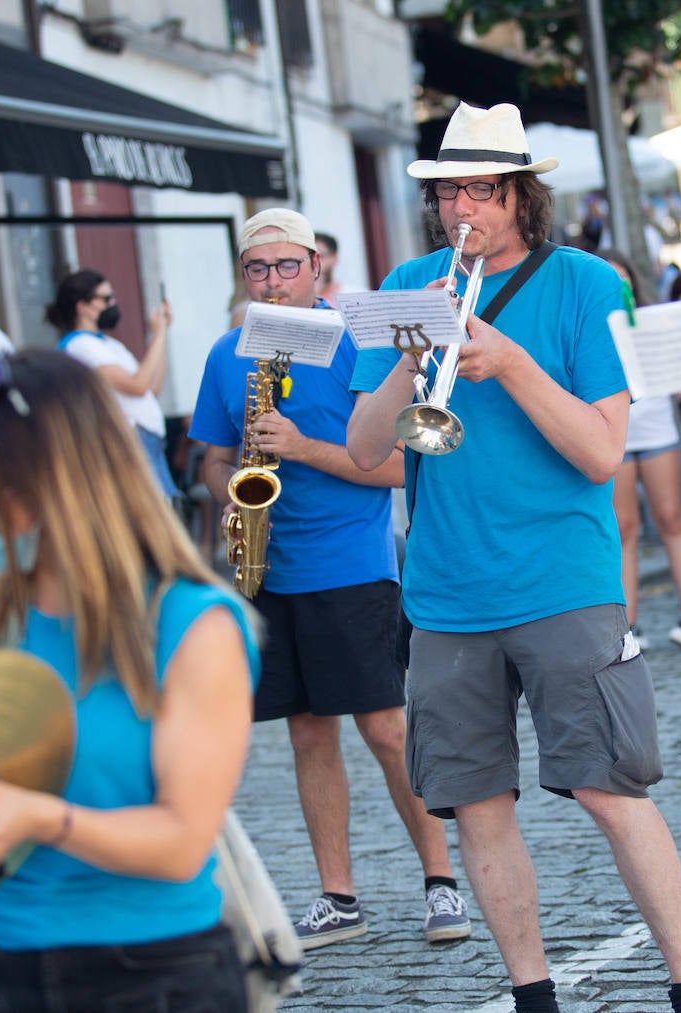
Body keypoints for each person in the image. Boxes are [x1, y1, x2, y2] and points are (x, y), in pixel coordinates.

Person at [347, 101, 681, 1013]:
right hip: (444, 593)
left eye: (479, 188)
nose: (460, 207)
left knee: (610, 789)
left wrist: (511, 363)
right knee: (477, 806)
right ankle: (533, 995)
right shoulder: (407, 281)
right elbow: (367, 447)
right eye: (447, 191)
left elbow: (602, 452)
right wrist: (415, 353)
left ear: (522, 196)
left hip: (565, 581)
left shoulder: (590, 283)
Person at [0, 349, 257, 1011]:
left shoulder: (191, 624)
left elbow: (183, 842)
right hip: (11, 973)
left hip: (161, 975)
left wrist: (42, 817)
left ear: (50, 483)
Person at [190, 208, 470, 951]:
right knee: (308, 733)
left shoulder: (360, 343)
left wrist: (301, 447)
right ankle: (337, 895)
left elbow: (389, 468)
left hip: (352, 562)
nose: (274, 281)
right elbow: (212, 461)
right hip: (269, 564)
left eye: (288, 266)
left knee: (384, 727)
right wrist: (234, 487)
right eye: (258, 269)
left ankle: (441, 879)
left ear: (318, 268)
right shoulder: (227, 353)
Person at [597, 249, 681, 649]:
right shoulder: (589, 325)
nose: (616, 285)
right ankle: (630, 623)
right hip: (615, 434)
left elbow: (675, 366)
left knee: (671, 517)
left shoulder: (648, 319)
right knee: (624, 528)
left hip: (656, 427)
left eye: (622, 277)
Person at [46, 269, 178, 499]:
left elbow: (151, 387)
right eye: (106, 299)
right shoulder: (80, 345)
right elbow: (137, 386)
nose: (113, 303)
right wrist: (157, 334)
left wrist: (162, 333)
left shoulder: (109, 344)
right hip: (130, 441)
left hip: (149, 441)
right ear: (83, 306)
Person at [313, 231, 343, 306]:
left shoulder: (352, 294)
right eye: (310, 256)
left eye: (319, 256)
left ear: (334, 259)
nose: (314, 262)